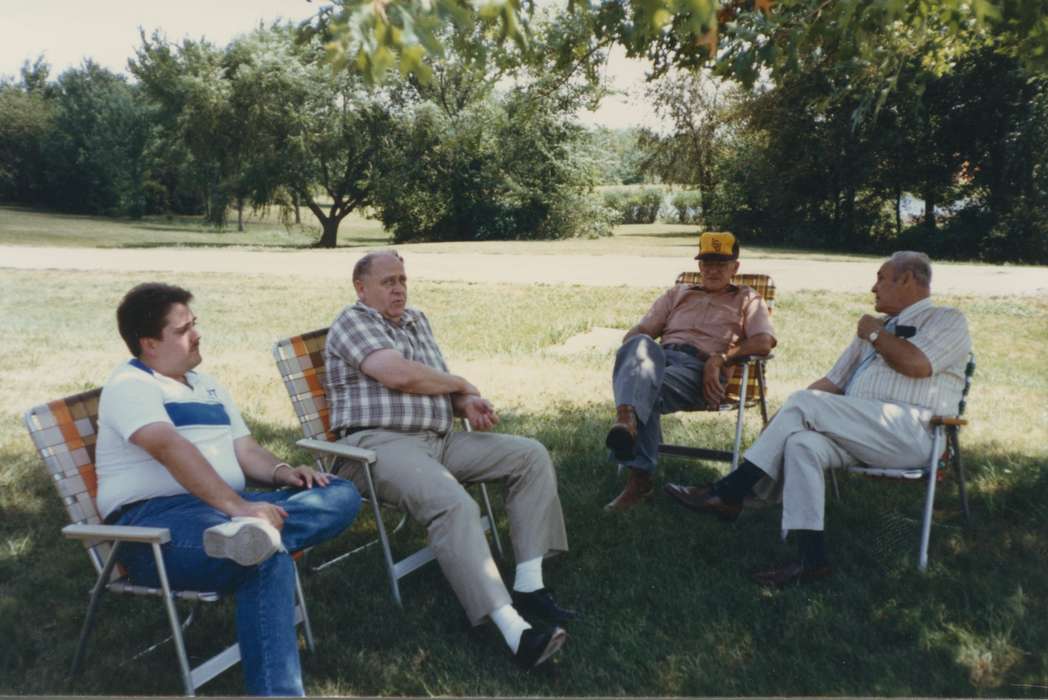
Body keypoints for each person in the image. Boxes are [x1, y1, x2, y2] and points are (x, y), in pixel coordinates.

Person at [95, 282, 361, 697]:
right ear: (149, 343)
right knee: (267, 557)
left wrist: (283, 472)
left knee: (341, 491)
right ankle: (252, 540)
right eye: (183, 330)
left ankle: (250, 537)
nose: (197, 334)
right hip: (154, 529)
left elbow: (246, 450)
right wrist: (240, 508)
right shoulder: (130, 387)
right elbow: (168, 448)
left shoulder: (210, 385)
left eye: (194, 324)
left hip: (226, 512)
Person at [325, 250, 573, 669]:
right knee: (454, 503)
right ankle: (515, 631)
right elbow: (399, 374)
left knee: (529, 455)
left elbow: (432, 383)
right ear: (361, 288)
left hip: (438, 439)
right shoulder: (353, 322)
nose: (399, 288)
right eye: (387, 282)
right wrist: (462, 382)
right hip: (374, 449)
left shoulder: (417, 320)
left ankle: (530, 585)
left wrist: (466, 402)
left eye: (402, 279)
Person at [664, 251, 972, 585]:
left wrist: (874, 334)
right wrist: (781, 421)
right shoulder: (875, 328)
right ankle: (811, 561)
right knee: (801, 443)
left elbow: (917, 365)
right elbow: (831, 383)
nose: (873, 287)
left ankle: (730, 491)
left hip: (912, 432)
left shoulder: (947, 320)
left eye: (881, 277)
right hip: (858, 433)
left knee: (804, 403)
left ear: (908, 279)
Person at [604, 231, 777, 512]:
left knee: (644, 388)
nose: (713, 270)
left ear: (735, 267)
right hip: (660, 359)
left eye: (721, 264)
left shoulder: (748, 298)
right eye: (707, 263)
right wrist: (632, 347)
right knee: (639, 345)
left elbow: (764, 341)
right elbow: (644, 331)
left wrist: (720, 359)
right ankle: (628, 422)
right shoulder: (678, 294)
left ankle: (638, 473)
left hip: (701, 370)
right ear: (699, 266)